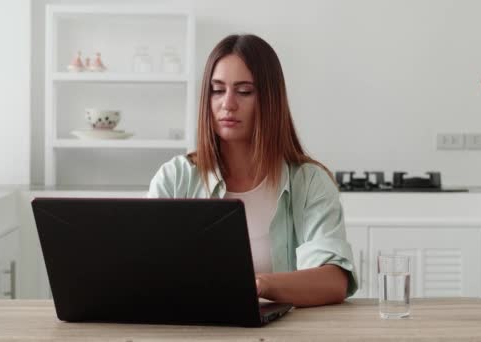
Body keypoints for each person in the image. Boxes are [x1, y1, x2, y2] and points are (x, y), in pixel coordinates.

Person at [147, 34, 357, 307]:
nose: (228, 104)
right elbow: (148, 270)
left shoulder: (309, 182)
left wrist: (260, 284)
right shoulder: (175, 178)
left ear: (270, 99)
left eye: (244, 91)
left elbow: (333, 281)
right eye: (217, 90)